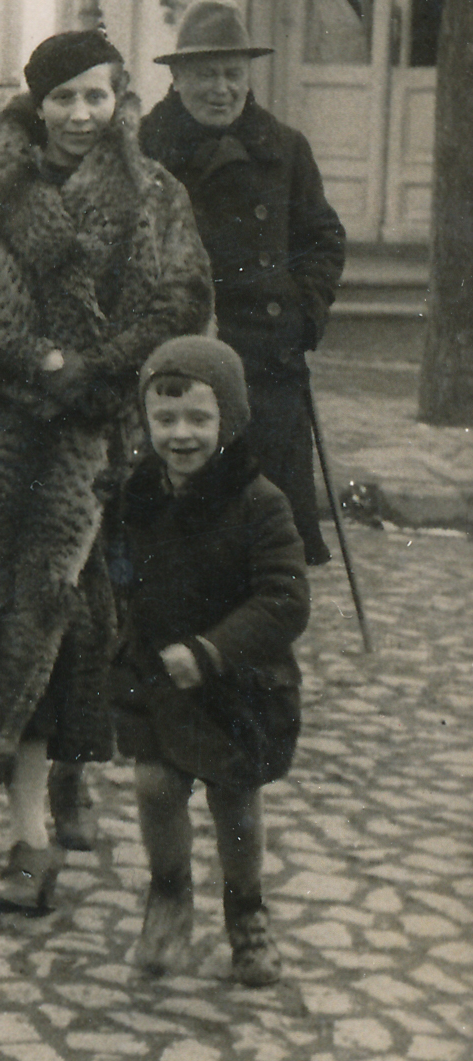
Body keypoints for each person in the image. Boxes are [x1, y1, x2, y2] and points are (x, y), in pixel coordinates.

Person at [0, 29, 212, 911]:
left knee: (100, 624)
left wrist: (98, 371)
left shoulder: (155, 195)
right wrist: (37, 362)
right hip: (8, 447)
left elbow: (182, 304)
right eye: (62, 97)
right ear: (35, 103)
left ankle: (70, 772)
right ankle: (27, 837)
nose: (80, 114)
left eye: (95, 95)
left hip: (113, 444)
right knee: (17, 618)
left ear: (119, 98)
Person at [109, 335, 309, 986]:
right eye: (164, 418)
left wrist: (213, 649)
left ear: (231, 418)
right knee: (154, 786)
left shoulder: (259, 502)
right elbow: (121, 571)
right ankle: (168, 897)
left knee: (234, 802)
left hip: (235, 682)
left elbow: (284, 599)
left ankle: (246, 912)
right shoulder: (138, 495)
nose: (180, 434)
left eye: (199, 417)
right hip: (158, 674)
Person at [138, 0, 346, 565]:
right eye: (206, 74)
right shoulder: (145, 153)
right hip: (180, 367)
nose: (222, 89)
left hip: (268, 370)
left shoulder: (284, 148)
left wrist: (304, 312)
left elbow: (323, 239)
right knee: (180, 546)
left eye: (233, 73)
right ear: (178, 78)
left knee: (269, 544)